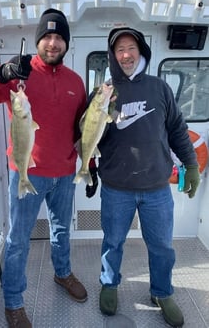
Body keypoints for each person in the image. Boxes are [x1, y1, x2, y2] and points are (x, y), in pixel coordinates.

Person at [0, 8, 87, 328]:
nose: (53, 43)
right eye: (47, 36)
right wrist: (0, 73)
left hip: (65, 173)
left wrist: (90, 162)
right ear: (38, 40)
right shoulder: (20, 74)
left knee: (61, 231)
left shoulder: (76, 81)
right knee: (18, 240)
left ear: (66, 44)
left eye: (59, 37)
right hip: (26, 172)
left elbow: (83, 127)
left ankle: (62, 274)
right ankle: (13, 303)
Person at [95, 27, 200, 327]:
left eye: (131, 48)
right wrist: (102, 116)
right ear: (113, 56)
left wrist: (190, 165)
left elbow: (178, 130)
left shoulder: (159, 88)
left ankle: (162, 292)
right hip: (117, 187)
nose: (126, 55)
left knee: (162, 246)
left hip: (156, 187)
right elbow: (89, 136)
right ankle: (109, 283)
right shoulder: (104, 91)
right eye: (119, 50)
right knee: (112, 242)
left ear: (140, 51)